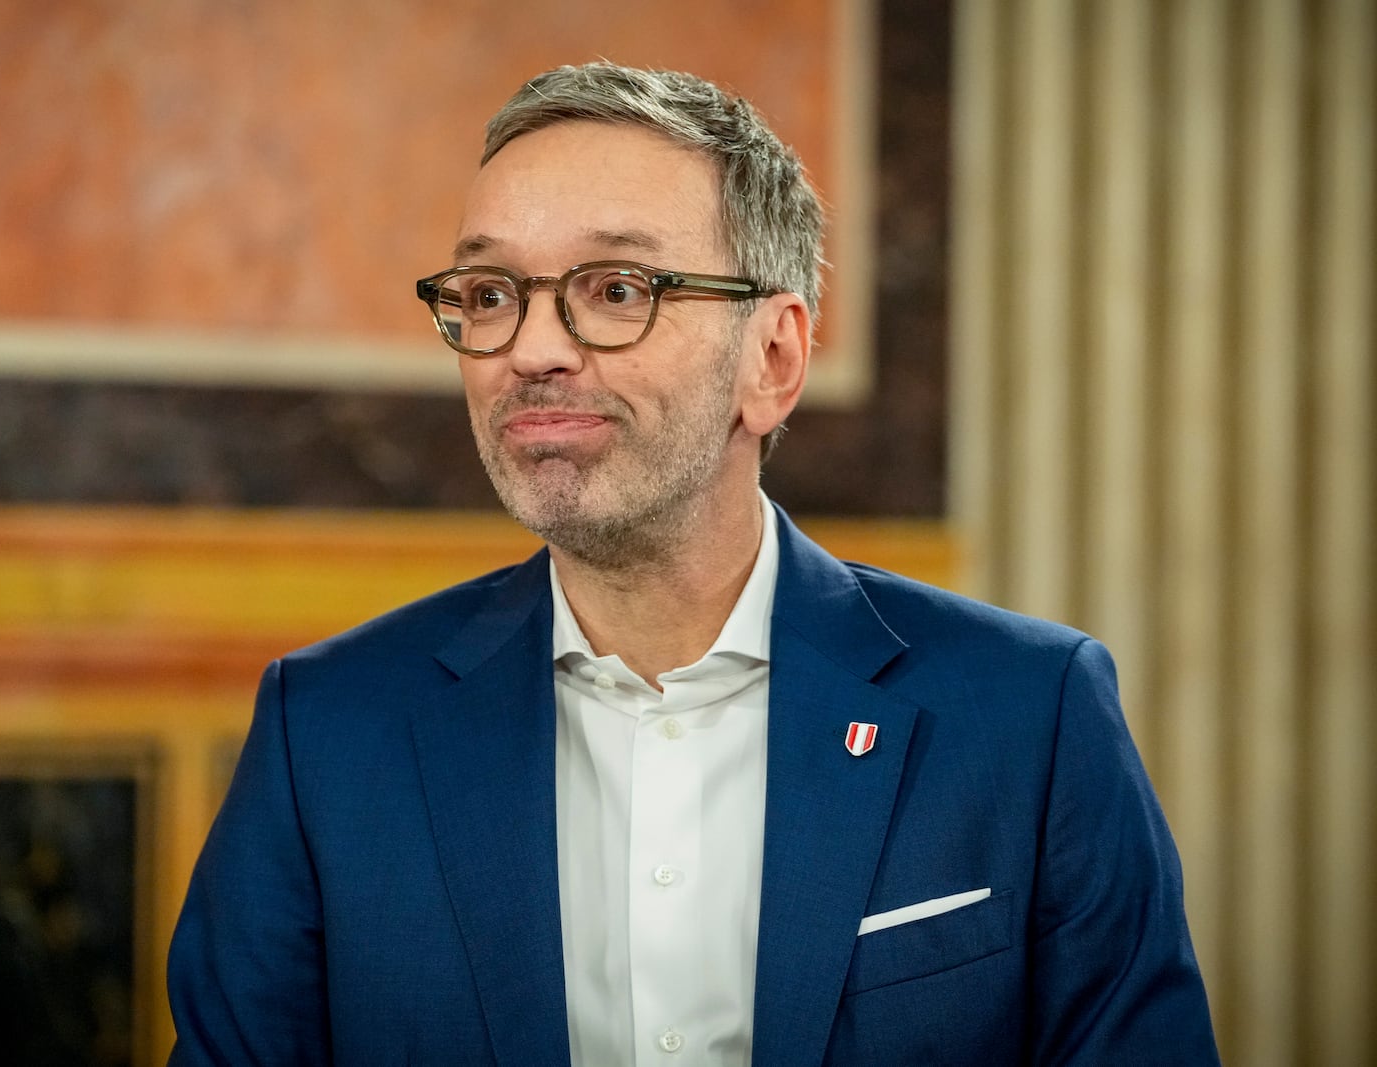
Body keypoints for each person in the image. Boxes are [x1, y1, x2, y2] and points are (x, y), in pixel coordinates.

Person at [167, 62, 1218, 1066]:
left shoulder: (1029, 717)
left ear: (773, 359)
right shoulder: (328, 732)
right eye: (490, 294)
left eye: (616, 287)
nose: (532, 348)